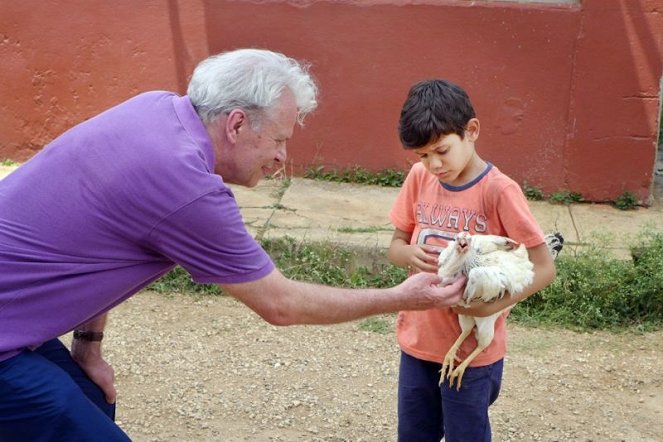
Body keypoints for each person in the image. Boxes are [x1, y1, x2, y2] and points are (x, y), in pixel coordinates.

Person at [0, 49, 466, 441]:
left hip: (16, 325)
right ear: (237, 123)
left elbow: (98, 237)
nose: (283, 155)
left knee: (92, 404)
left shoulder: (154, 110)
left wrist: (88, 346)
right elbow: (280, 304)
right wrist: (403, 297)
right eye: (279, 139)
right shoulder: (187, 185)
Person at [387, 79, 556, 441]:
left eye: (442, 151)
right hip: (418, 342)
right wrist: (406, 253)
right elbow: (396, 243)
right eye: (422, 155)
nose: (433, 164)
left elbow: (544, 267)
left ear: (472, 131)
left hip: (473, 352)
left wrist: (487, 309)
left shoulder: (499, 191)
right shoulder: (419, 179)